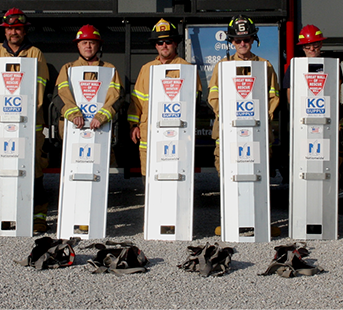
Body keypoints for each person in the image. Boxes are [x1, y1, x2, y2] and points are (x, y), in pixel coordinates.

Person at [207, 15, 280, 236]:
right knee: (229, 177)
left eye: (246, 39)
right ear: (231, 41)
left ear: (253, 39)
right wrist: (228, 116)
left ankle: (260, 222)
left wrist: (261, 118)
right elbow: (213, 96)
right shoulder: (222, 66)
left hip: (256, 132)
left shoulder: (264, 66)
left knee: (257, 177)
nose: (242, 44)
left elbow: (273, 97)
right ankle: (229, 221)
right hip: (228, 133)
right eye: (237, 40)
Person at [0, 8, 51, 234]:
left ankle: (38, 216)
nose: (14, 32)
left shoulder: (35, 54)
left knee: (34, 169)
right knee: (2, 168)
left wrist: (25, 113)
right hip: (3, 124)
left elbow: (40, 88)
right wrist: (2, 114)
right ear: (5, 30)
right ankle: (0, 214)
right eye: (10, 28)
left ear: (24, 30)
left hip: (31, 125)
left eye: (18, 28)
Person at [127, 19, 201, 179]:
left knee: (176, 173)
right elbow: (137, 101)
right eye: (160, 42)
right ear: (155, 45)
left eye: (168, 41)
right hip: (149, 131)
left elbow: (194, 100)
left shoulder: (187, 69)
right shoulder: (146, 69)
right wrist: (134, 124)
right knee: (150, 173)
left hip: (177, 130)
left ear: (175, 44)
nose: (164, 45)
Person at [55, 24, 124, 138]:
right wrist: (74, 115)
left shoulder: (109, 69)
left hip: (102, 127)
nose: (88, 46)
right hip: (73, 127)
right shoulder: (68, 69)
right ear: (78, 45)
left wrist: (101, 117)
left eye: (92, 43)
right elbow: (60, 95)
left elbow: (116, 97)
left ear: (98, 46)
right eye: (84, 43)